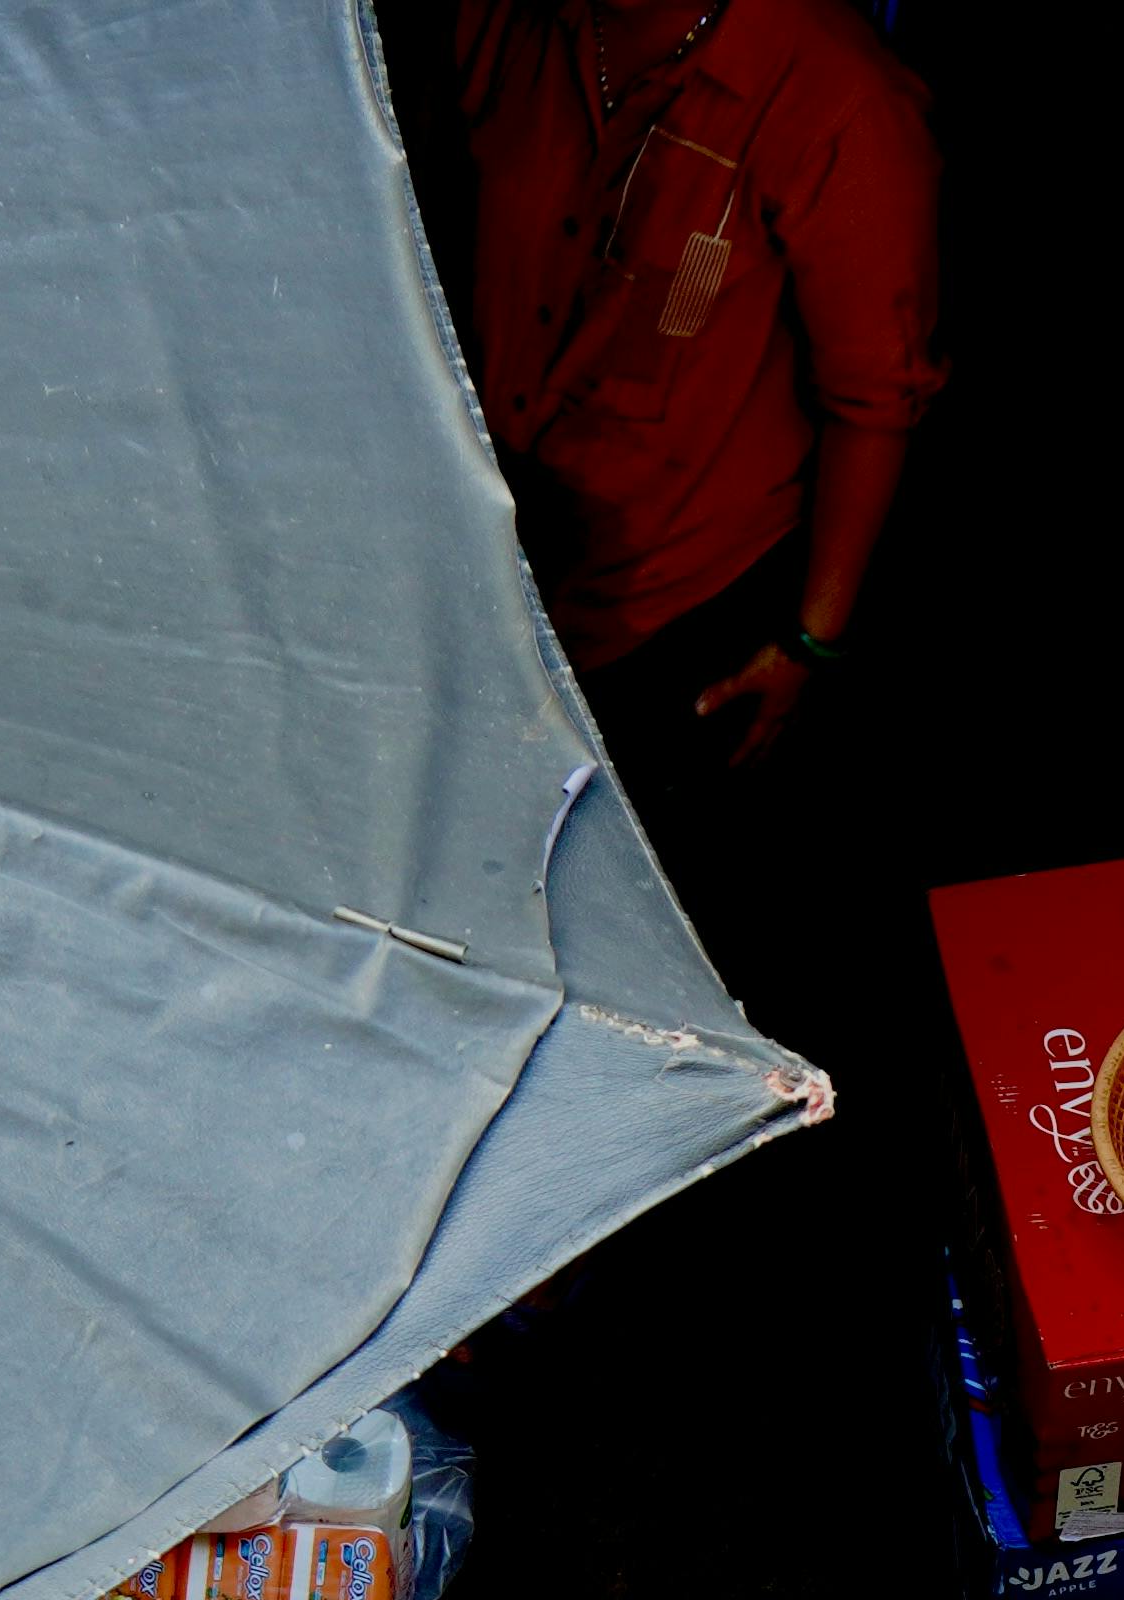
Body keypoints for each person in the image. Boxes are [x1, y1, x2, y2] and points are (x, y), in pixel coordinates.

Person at [436, 0, 944, 964]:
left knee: (644, 926)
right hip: (496, 557)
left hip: (687, 607)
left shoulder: (836, 96)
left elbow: (878, 401)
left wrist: (810, 640)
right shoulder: (518, 23)